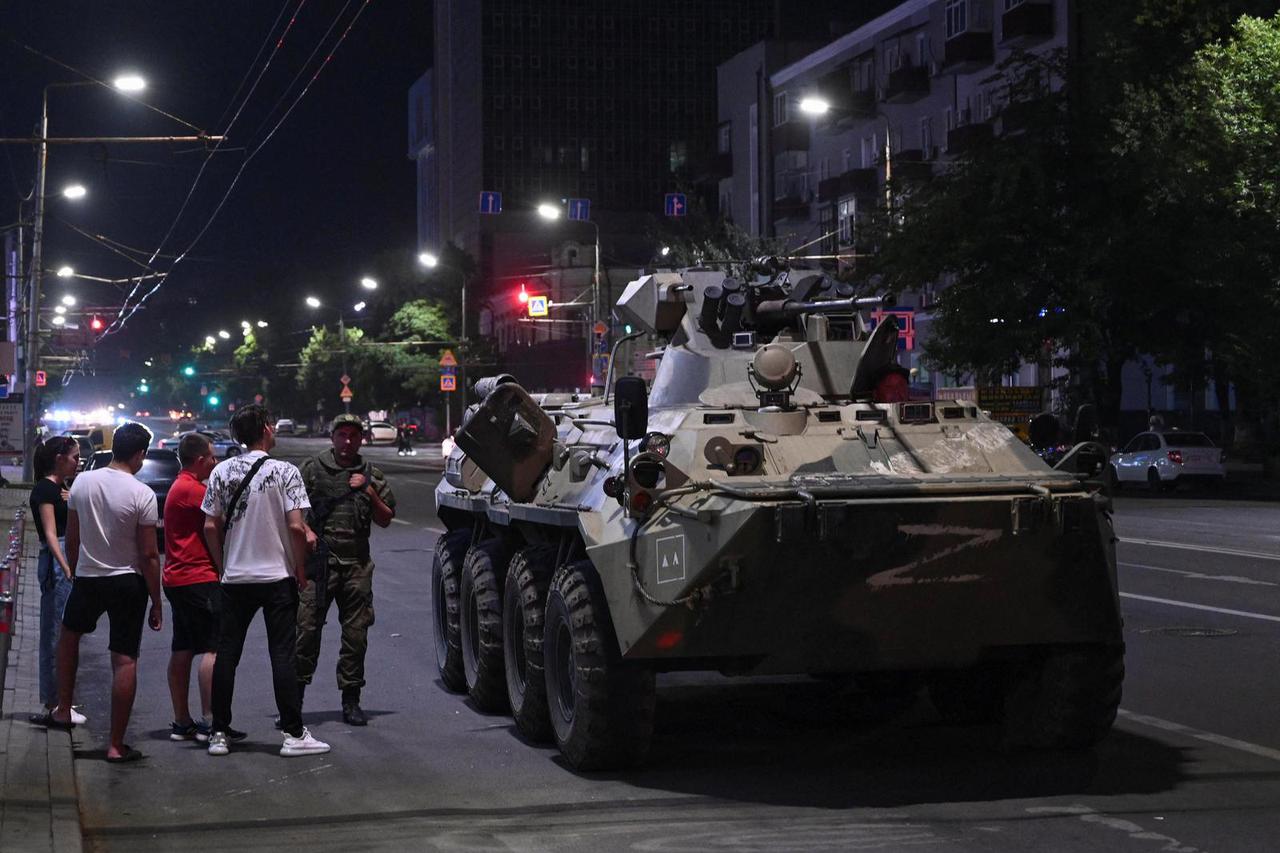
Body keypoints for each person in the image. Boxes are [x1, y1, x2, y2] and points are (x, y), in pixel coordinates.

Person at [201, 404, 329, 758]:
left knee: (227, 655)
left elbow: (210, 525)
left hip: (235, 578)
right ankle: (293, 734)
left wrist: (222, 564)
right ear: (266, 429)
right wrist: (300, 569)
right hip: (276, 578)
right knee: (282, 655)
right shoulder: (285, 471)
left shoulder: (222, 472)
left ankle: (219, 733)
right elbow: (294, 526)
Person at [49, 422, 162, 764]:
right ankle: (115, 745)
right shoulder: (142, 494)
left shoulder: (83, 481)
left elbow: (73, 535)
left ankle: (64, 709)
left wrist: (74, 568)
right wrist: (157, 601)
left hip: (88, 577)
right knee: (124, 658)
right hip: (127, 581)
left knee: (69, 637)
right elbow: (149, 555)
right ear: (140, 454)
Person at [295, 413, 396, 726]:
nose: (347, 441)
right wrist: (305, 534)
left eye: (354, 436)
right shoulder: (312, 470)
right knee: (306, 632)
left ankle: (351, 700)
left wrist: (368, 491)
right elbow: (289, 509)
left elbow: (386, 517)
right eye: (342, 435)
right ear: (332, 437)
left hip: (356, 566)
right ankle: (293, 702)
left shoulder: (370, 473)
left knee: (356, 636)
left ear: (361, 439)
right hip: (319, 566)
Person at [163, 432, 221, 742]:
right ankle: (210, 722)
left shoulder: (180, 486)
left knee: (183, 648)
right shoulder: (193, 490)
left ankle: (181, 720)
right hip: (198, 577)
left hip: (177, 578)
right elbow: (221, 519)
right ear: (199, 461)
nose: (215, 462)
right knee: (213, 648)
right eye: (211, 457)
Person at [27, 436, 87, 727]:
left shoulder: (60, 489)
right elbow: (51, 534)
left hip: (64, 557)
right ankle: (54, 703)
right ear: (59, 457)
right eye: (75, 457)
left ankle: (60, 700)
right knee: (55, 633)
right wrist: (66, 567)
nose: (78, 461)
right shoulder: (44, 489)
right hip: (56, 559)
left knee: (63, 631)